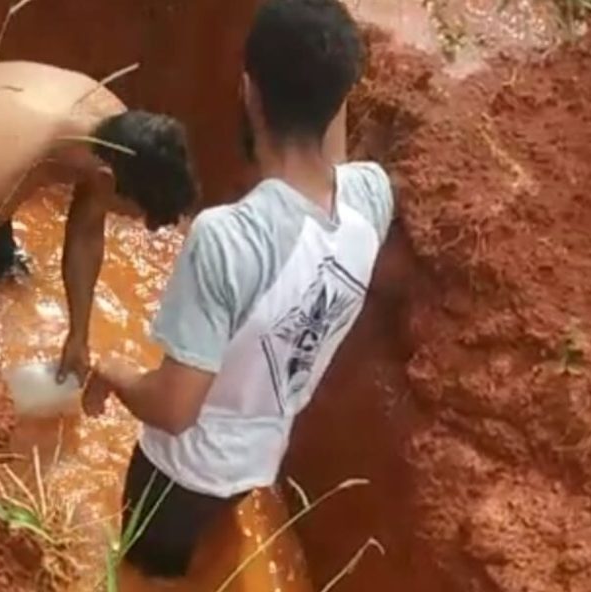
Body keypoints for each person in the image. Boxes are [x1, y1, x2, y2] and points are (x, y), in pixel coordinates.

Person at [81, 0, 395, 581]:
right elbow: (337, 158)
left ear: (249, 90)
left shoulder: (227, 238)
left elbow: (175, 412)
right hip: (258, 462)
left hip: (178, 475)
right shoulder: (371, 200)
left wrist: (114, 370)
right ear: (339, 95)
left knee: (143, 575)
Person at [0, 61, 198, 382]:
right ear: (107, 181)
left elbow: (86, 233)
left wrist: (78, 337)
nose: (137, 223)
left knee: (3, 275)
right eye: (135, 213)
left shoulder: (113, 134)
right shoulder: (2, 172)